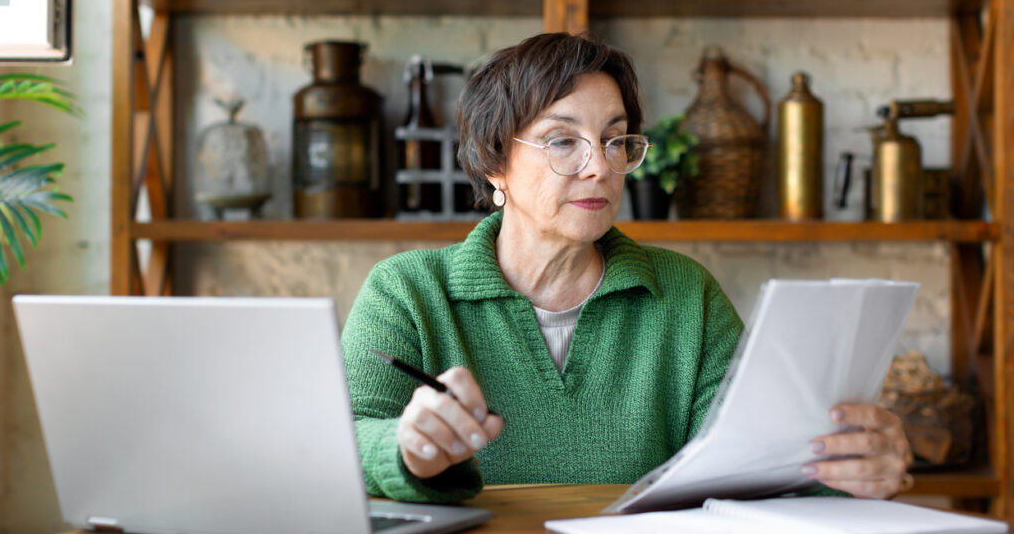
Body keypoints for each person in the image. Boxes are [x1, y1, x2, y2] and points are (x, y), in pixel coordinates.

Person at [340, 32, 912, 504]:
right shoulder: (406, 292)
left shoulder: (686, 294)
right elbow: (342, 442)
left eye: (615, 141)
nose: (600, 168)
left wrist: (852, 474)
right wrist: (406, 447)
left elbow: (757, 466)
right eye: (563, 141)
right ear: (495, 163)